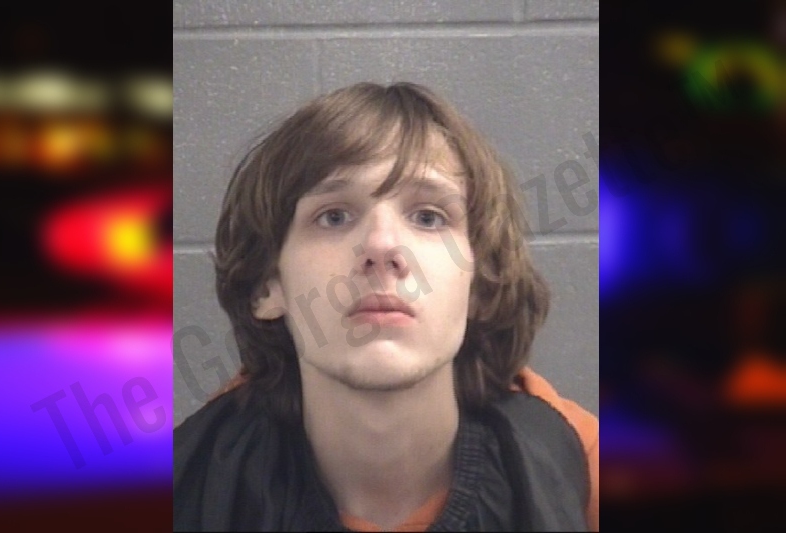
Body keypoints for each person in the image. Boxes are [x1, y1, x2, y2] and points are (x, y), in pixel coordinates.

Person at [174, 82, 599, 532]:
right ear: (266, 286)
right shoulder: (186, 483)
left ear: (480, 283)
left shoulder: (582, 467)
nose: (381, 246)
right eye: (334, 216)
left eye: (428, 217)